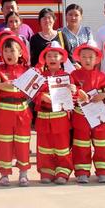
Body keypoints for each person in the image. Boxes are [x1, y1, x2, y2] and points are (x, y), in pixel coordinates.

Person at [0, 36, 32, 187]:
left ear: (20, 53)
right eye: (5, 51)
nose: (8, 54)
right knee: (3, 144)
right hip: (4, 113)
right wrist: (4, 85)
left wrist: (6, 86)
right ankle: (4, 174)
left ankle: (23, 173)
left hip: (22, 112)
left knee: (23, 143)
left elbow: (33, 90)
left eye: (12, 50)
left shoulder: (27, 70)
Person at [71, 42, 105, 184]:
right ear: (79, 59)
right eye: (84, 57)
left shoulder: (102, 76)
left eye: (90, 57)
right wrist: (77, 92)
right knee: (81, 145)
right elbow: (69, 91)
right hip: (81, 116)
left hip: (99, 116)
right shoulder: (74, 75)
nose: (87, 60)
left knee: (101, 144)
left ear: (96, 59)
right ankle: (82, 172)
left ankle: (103, 172)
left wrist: (104, 95)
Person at [33, 43, 74, 184]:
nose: (52, 58)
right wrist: (41, 96)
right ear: (44, 59)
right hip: (43, 117)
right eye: (49, 55)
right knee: (45, 146)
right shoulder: (39, 77)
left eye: (55, 55)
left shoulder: (68, 77)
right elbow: (32, 94)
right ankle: (47, 171)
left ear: (62, 58)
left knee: (62, 146)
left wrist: (73, 90)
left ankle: (62, 171)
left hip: (60, 118)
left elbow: (73, 99)